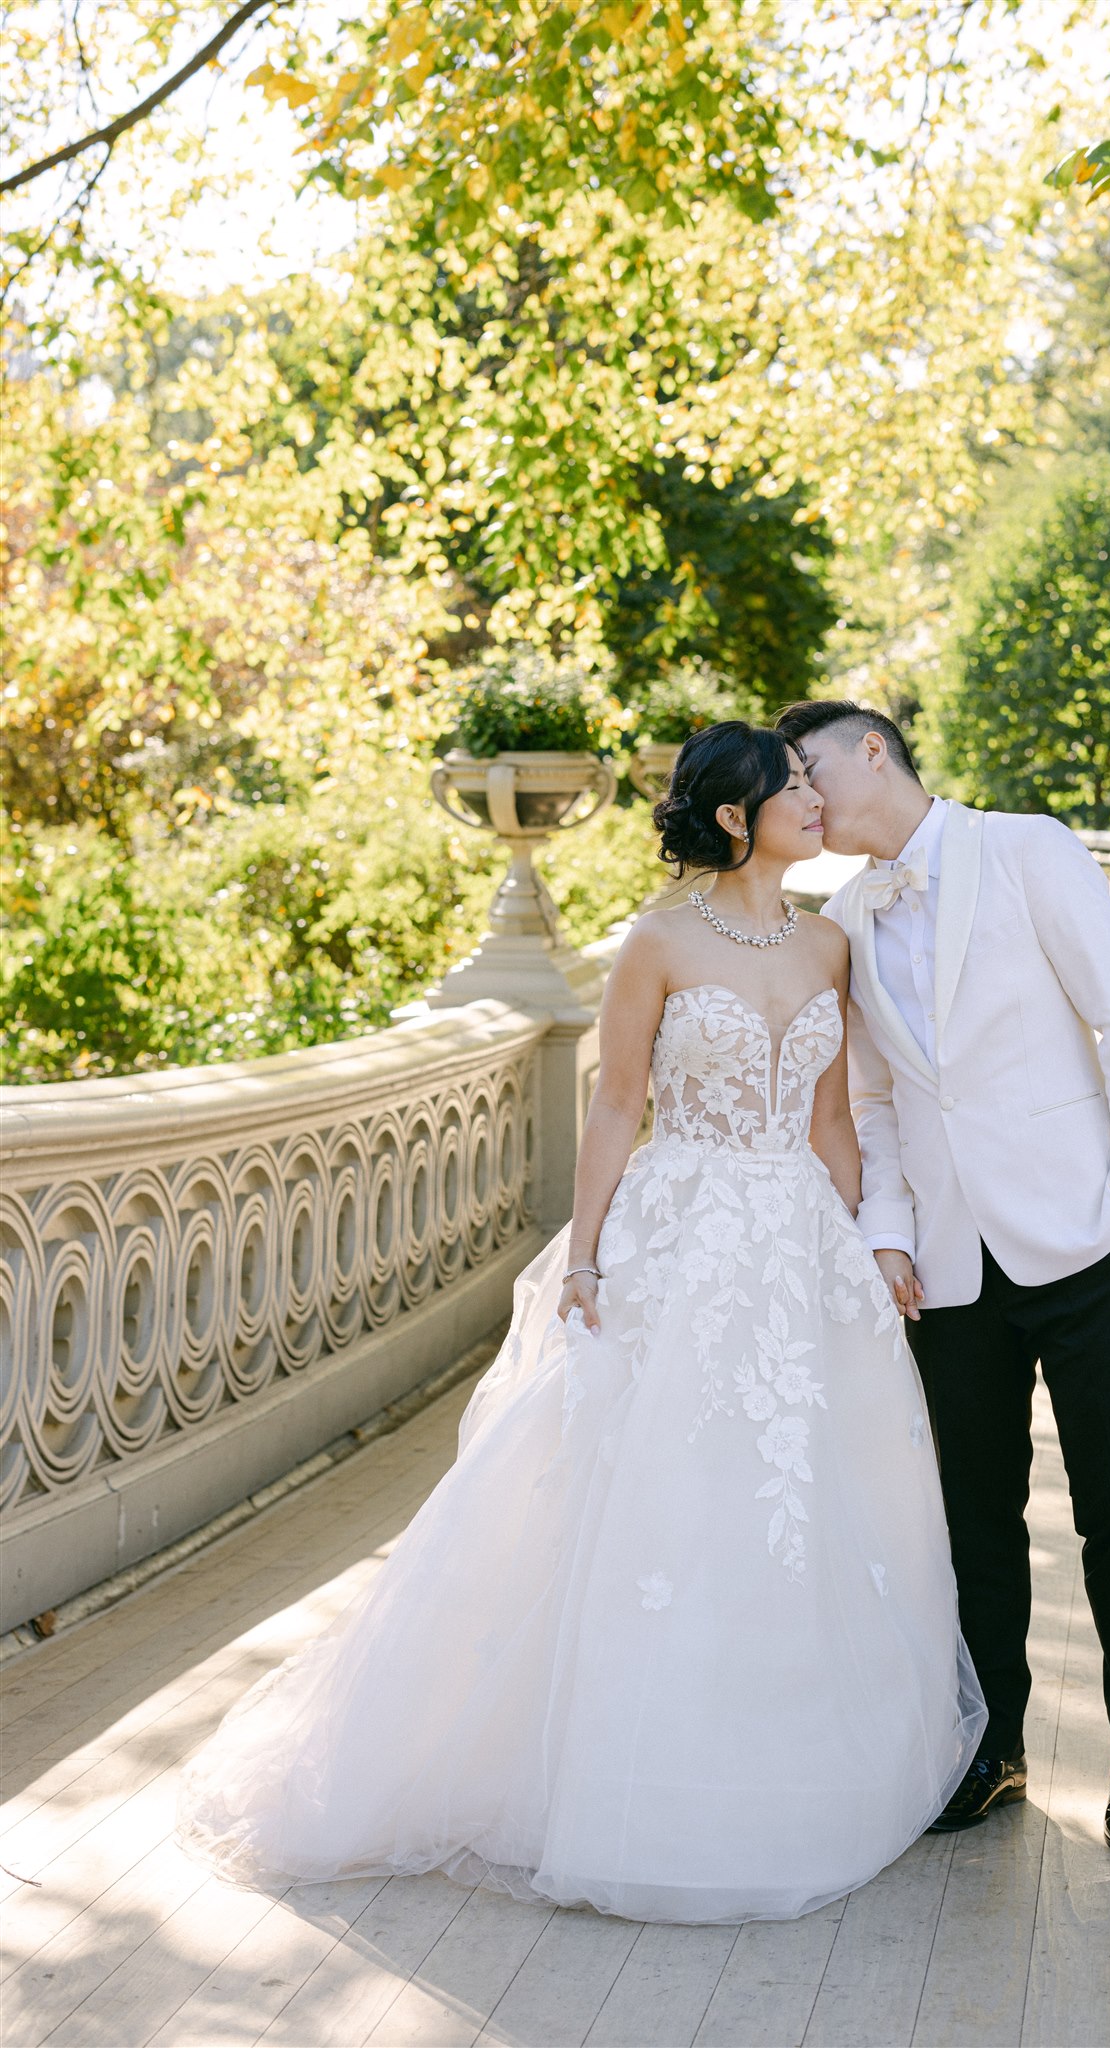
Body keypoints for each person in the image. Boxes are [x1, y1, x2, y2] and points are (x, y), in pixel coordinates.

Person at [176, 721, 984, 1924]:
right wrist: (589, 1251)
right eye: (793, 788)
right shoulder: (658, 941)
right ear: (734, 815)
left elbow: (834, 1121)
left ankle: (791, 1754)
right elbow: (615, 1104)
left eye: (817, 782)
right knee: (656, 1486)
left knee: (805, 1493)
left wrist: (876, 1239)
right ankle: (622, 1768)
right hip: (684, 1229)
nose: (815, 802)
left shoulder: (828, 944)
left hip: (802, 1247)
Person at [775, 698, 1110, 1855]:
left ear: (873, 748)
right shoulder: (843, 921)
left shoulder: (1027, 847)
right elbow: (870, 1100)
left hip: (1084, 1234)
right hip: (950, 1266)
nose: (803, 801)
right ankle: (994, 1746)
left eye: (809, 772)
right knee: (972, 1516)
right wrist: (888, 1229)